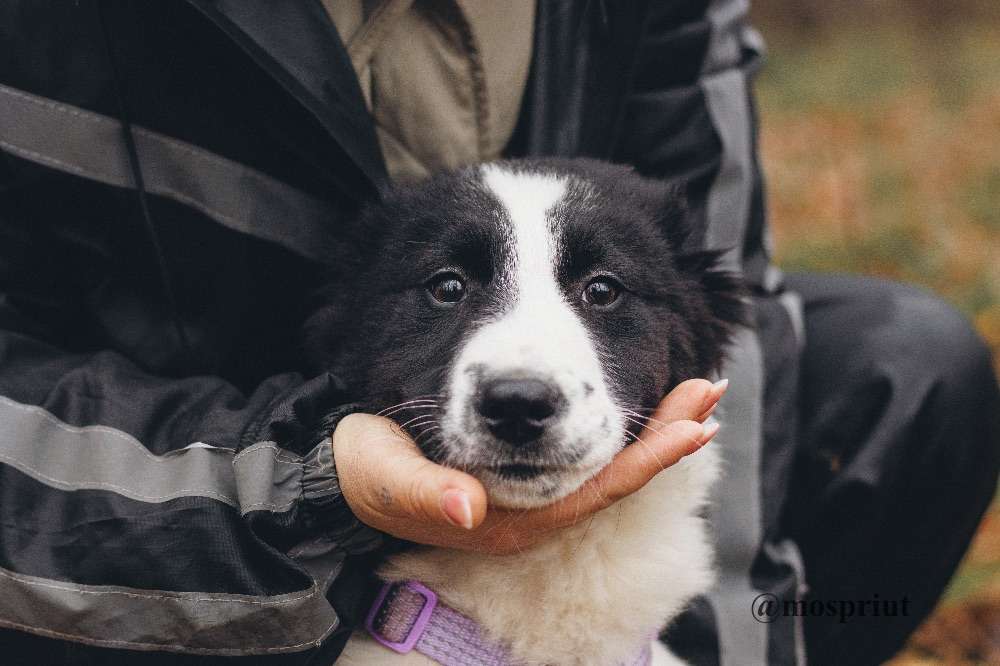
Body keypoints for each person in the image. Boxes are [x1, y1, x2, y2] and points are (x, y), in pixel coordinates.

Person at [0, 2, 996, 665]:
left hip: (559, 498)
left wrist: (705, 642)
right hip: (156, 483)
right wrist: (306, 485)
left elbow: (722, 283)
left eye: (602, 290)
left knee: (901, 367)